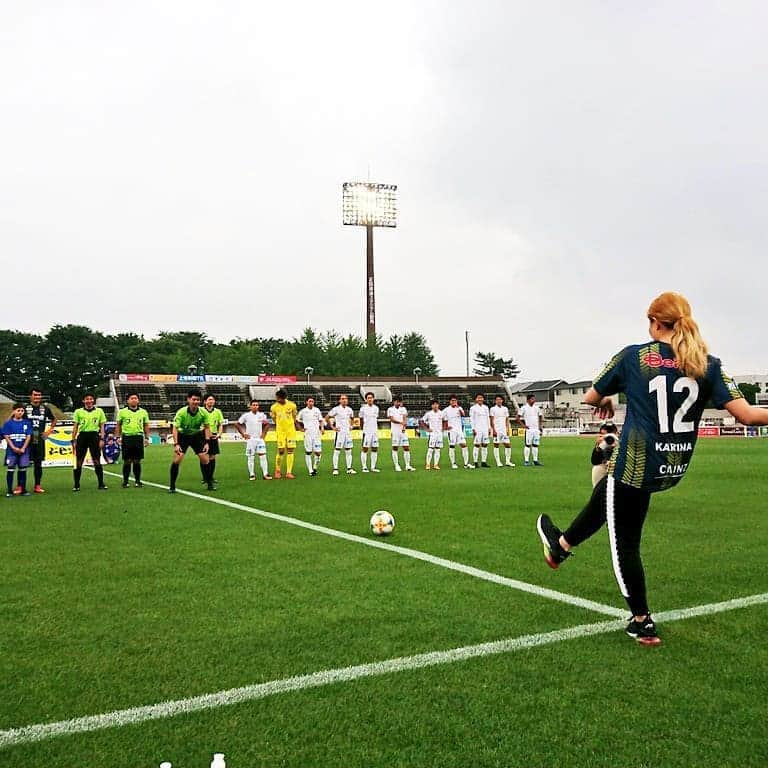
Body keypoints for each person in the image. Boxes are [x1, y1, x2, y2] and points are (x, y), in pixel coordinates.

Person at [536, 291, 768, 646]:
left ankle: (642, 621)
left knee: (625, 542)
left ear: (654, 322)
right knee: (608, 492)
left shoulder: (635, 357)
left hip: (637, 464)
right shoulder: (708, 362)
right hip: (672, 466)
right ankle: (561, 545)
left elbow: (590, 397)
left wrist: (609, 397)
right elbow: (748, 415)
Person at [169, 388, 213, 493]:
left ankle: (209, 483)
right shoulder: (181, 412)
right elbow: (175, 428)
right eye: (193, 399)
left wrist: (207, 442)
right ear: (188, 400)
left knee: (205, 459)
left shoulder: (203, 412)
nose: (196, 402)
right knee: (177, 460)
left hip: (196, 436)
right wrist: (176, 444)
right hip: (183, 436)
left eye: (198, 400)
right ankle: (172, 486)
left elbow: (207, 427)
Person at [71, 393, 108, 491]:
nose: (89, 401)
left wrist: (102, 439)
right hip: (82, 436)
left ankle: (101, 483)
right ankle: (76, 485)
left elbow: (102, 426)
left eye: (91, 399)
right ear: (83, 401)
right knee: (79, 462)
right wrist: (73, 439)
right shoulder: (78, 412)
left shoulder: (99, 411)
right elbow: (75, 427)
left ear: (93, 400)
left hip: (94, 436)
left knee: (96, 461)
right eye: (87, 399)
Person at [25, 387, 56, 493]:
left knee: (38, 463)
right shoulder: (25, 408)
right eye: (35, 395)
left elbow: (54, 419)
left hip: (38, 437)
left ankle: (37, 485)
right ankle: (20, 486)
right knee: (23, 462)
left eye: (39, 395)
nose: (37, 397)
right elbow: (14, 418)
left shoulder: (45, 408)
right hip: (26, 438)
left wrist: (48, 431)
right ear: (30, 396)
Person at [115, 392, 150, 487]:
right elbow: (118, 425)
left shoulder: (143, 412)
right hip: (126, 437)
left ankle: (137, 481)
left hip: (138, 437)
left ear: (138, 400)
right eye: (132, 398)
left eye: (135, 398)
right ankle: (125, 481)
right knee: (127, 460)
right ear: (127, 401)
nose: (134, 400)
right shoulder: (122, 412)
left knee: (137, 461)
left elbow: (146, 425)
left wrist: (147, 438)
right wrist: (118, 437)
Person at [235, 400, 272, 480]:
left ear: (258, 406)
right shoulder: (246, 415)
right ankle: (252, 474)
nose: (255, 406)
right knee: (251, 457)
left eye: (256, 405)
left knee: (263, 456)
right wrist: (243, 433)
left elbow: (267, 424)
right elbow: (237, 424)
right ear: (250, 406)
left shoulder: (262, 415)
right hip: (250, 440)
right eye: (253, 405)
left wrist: (264, 434)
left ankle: (265, 474)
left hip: (260, 439)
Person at [2, 404, 33, 497]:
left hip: (24, 451)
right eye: (18, 410)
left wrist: (23, 448)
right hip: (11, 451)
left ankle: (23, 489)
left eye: (22, 411)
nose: (20, 412)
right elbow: (6, 437)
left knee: (23, 469)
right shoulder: (8, 423)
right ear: (14, 411)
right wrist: (14, 448)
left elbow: (28, 436)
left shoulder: (27, 423)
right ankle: (9, 490)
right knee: (10, 469)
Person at [270, 388, 298, 479]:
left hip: (290, 431)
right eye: (277, 398)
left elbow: (294, 416)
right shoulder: (274, 407)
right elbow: (274, 419)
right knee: (281, 450)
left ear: (284, 398)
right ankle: (277, 470)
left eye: (279, 398)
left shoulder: (292, 405)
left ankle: (289, 472)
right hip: (280, 431)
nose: (277, 399)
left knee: (290, 450)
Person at [327, 394, 356, 475]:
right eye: (342, 399)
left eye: (345, 399)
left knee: (348, 451)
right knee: (337, 451)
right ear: (339, 400)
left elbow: (352, 418)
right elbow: (327, 417)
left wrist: (352, 425)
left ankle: (349, 469)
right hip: (339, 433)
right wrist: (332, 427)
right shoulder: (336, 409)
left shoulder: (349, 410)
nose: (344, 400)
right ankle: (335, 469)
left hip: (347, 433)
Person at [297, 396, 325, 476]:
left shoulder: (317, 410)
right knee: (308, 452)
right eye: (310, 401)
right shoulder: (303, 411)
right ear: (306, 402)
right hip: (308, 434)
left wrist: (322, 428)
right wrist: (300, 429)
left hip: (316, 434)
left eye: (312, 401)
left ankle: (315, 466)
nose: (311, 403)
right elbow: (297, 421)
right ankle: (310, 470)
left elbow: (321, 420)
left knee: (318, 452)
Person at [387, 395, 415, 471]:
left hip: (402, 432)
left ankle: (407, 465)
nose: (398, 403)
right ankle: (396, 465)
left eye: (399, 402)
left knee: (406, 447)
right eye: (397, 401)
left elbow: (405, 418)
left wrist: (404, 427)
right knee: (395, 448)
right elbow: (392, 419)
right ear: (394, 402)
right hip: (395, 431)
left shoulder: (403, 409)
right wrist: (401, 422)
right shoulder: (390, 409)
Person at [202, 394, 224, 485]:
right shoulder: (201, 411)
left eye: (213, 399)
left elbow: (220, 424)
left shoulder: (218, 411)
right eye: (209, 399)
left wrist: (219, 434)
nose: (211, 401)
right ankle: (205, 477)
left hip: (214, 437)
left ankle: (210, 476)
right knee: (203, 457)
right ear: (205, 401)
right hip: (203, 436)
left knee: (212, 457)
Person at [444, 395, 471, 469]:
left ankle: (466, 464)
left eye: (455, 400)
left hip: (459, 430)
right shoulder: (446, 410)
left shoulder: (459, 408)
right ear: (450, 402)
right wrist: (445, 427)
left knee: (464, 445)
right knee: (452, 446)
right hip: (451, 431)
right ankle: (453, 463)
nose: (454, 402)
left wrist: (458, 408)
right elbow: (443, 419)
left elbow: (463, 415)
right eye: (452, 400)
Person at [490, 395, 516, 468]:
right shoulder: (492, 409)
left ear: (502, 400)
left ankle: (508, 461)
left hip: (504, 430)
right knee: (496, 445)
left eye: (500, 399)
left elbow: (507, 419)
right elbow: (491, 420)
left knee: (508, 445)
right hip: (496, 430)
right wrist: (493, 430)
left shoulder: (505, 408)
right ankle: (498, 462)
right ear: (495, 401)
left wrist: (508, 429)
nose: (499, 401)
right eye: (497, 399)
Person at [590, 421, 618, 487]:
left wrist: (618, 445)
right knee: (597, 468)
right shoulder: (602, 443)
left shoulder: (622, 441)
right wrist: (598, 446)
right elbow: (594, 461)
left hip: (618, 469)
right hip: (604, 467)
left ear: (616, 434)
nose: (608, 438)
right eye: (603, 434)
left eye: (610, 434)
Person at [420, 399, 446, 470]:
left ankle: (436, 464)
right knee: (431, 449)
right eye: (433, 404)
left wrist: (443, 428)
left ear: (438, 405)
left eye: (436, 404)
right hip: (432, 434)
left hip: (439, 434)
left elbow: (445, 421)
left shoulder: (442, 413)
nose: (435, 406)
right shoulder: (429, 414)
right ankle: (428, 464)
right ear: (431, 406)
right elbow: (422, 421)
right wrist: (426, 429)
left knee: (438, 449)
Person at [518, 394, 543, 466]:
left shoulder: (537, 408)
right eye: (532, 399)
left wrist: (540, 426)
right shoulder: (524, 408)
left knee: (535, 445)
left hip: (536, 429)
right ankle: (526, 461)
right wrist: (523, 425)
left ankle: (535, 460)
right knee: (527, 445)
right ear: (528, 400)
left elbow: (540, 416)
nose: (534, 400)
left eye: (534, 399)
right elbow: (517, 417)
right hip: (529, 430)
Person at [359, 392, 381, 473]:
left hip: (374, 432)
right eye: (368, 398)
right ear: (366, 399)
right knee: (365, 449)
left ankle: (373, 467)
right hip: (367, 431)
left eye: (371, 397)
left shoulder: (376, 408)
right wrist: (362, 429)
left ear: (373, 399)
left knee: (374, 449)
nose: (370, 399)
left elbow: (376, 419)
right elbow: (361, 419)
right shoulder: (363, 408)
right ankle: (364, 467)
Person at [469, 393, 491, 467]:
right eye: (478, 398)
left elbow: (488, 418)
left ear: (483, 399)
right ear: (476, 399)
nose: (480, 399)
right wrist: (473, 428)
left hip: (485, 428)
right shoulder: (473, 408)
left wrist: (489, 428)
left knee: (485, 445)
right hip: (477, 429)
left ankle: (483, 462)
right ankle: (475, 462)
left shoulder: (486, 407)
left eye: (481, 398)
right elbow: (471, 419)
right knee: (477, 445)